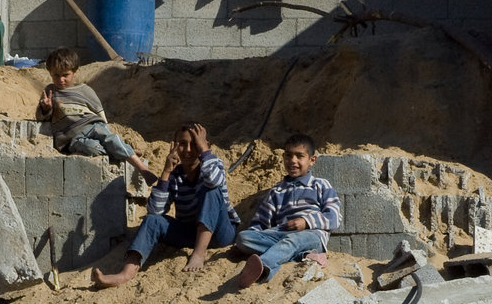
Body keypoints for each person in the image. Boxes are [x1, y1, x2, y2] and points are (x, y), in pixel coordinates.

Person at [93, 123, 239, 287]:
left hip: (221, 233)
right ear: (174, 146)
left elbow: (213, 181)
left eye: (194, 144)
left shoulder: (213, 164)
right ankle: (125, 274)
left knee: (211, 191)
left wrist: (205, 150)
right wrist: (166, 172)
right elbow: (155, 210)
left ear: (204, 146)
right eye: (182, 144)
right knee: (151, 220)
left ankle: (199, 253)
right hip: (189, 232)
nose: (188, 150)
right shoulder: (175, 175)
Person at [233, 133, 341, 288]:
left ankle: (264, 266)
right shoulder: (276, 191)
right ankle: (302, 256)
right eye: (289, 156)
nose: (293, 161)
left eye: (299, 156)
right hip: (280, 234)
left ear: (312, 160)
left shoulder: (320, 185)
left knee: (293, 241)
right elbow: (260, 222)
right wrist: (250, 239)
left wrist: (306, 222)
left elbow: (334, 217)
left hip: (311, 236)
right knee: (243, 238)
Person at [36, 48, 156, 182]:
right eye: (56, 75)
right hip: (72, 138)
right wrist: (46, 108)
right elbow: (41, 117)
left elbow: (98, 111)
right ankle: (124, 152)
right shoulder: (50, 92)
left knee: (110, 139)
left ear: (74, 72)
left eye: (65, 75)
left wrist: (105, 128)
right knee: (92, 148)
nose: (61, 79)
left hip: (93, 126)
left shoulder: (84, 90)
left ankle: (142, 168)